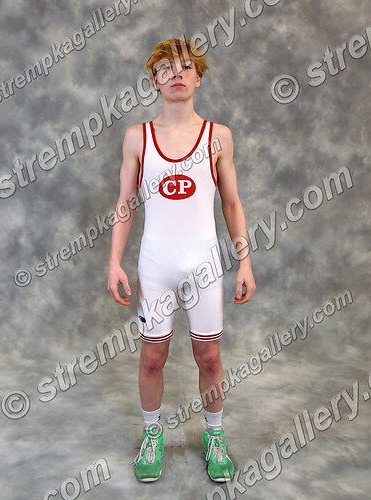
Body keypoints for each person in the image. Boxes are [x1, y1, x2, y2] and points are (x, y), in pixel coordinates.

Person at [107, 37, 256, 483]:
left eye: (186, 67)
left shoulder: (217, 137)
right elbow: (125, 204)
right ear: (154, 81)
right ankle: (152, 435)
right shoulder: (138, 138)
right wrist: (114, 261)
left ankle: (215, 435)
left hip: (204, 266)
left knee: (209, 357)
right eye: (166, 68)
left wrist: (245, 262)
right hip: (157, 266)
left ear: (198, 78)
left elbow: (231, 203)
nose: (176, 74)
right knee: (152, 357)